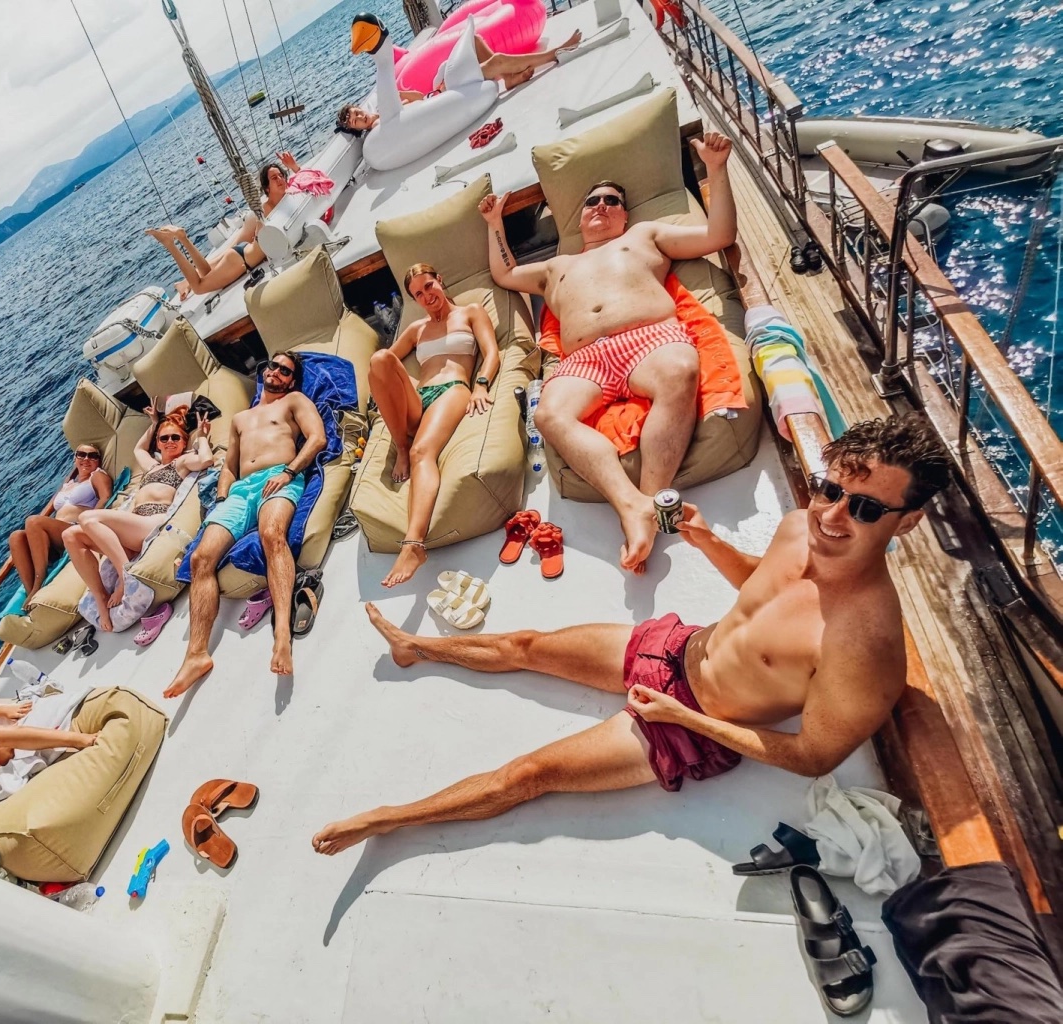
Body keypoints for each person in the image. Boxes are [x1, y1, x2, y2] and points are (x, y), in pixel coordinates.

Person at [312, 415, 952, 856]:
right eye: (829, 489)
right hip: (677, 647)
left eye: (865, 508)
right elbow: (765, 586)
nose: (833, 515)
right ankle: (415, 646)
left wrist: (684, 718)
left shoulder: (866, 644)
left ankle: (388, 821)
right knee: (526, 644)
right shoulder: (799, 526)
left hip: (691, 722)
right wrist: (707, 541)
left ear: (908, 522)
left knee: (527, 775)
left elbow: (813, 756)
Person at [479, 131, 738, 575]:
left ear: (625, 214)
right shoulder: (555, 266)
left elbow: (720, 234)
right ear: (580, 218)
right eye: (592, 202)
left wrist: (716, 169)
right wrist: (493, 224)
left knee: (680, 369)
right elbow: (505, 274)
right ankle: (631, 506)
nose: (601, 206)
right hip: (584, 361)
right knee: (549, 414)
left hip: (648, 339)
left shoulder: (644, 236)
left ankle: (650, 506)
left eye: (611, 201)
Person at [165, 351, 327, 697]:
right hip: (240, 491)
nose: (276, 372)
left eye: (285, 371)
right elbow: (229, 466)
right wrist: (223, 497)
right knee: (201, 558)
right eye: (273, 366)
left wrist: (289, 472)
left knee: (272, 534)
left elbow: (317, 439)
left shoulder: (294, 401)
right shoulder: (240, 418)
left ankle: (281, 635)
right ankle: (196, 655)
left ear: (292, 381)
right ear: (264, 371)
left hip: (278, 476)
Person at [368, 263, 500, 587]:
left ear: (440, 280)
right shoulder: (416, 329)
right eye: (418, 294)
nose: (427, 296)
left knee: (422, 453)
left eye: (429, 286)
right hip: (421, 396)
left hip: (452, 389)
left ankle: (414, 544)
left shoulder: (470, 312)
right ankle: (400, 445)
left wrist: (481, 384)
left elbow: (491, 353)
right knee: (379, 360)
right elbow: (386, 367)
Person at [63, 409, 213, 631]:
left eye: (176, 437)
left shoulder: (182, 462)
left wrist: (201, 436)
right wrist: (154, 423)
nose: (170, 442)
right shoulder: (152, 466)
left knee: (86, 517)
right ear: (158, 443)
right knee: (70, 535)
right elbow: (139, 449)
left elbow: (206, 459)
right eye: (164, 438)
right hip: (132, 526)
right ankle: (100, 597)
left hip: (151, 521)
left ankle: (125, 576)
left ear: (184, 443)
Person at [334, 29, 584, 136]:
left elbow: (419, 99)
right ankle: (555, 53)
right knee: (496, 60)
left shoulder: (383, 110)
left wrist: (404, 95)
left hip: (439, 92)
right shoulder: (379, 127)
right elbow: (418, 115)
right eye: (355, 120)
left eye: (357, 112)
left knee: (474, 39)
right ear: (357, 129)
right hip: (448, 97)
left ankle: (509, 79)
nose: (360, 116)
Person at [146, 153, 301, 300]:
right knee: (198, 287)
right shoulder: (263, 210)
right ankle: (170, 244)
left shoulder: (287, 199)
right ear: (267, 188)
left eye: (281, 175)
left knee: (206, 272)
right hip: (241, 260)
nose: (280, 179)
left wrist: (294, 166)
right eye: (274, 178)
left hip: (242, 253)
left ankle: (184, 240)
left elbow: (305, 182)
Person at [8, 445, 112, 605]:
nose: (86, 459)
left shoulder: (96, 476)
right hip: (56, 537)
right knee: (16, 537)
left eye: (92, 456)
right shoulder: (69, 483)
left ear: (98, 460)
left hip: (75, 529)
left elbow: (105, 497)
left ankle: (39, 582)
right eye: (81, 454)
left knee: (33, 521)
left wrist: (88, 523)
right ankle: (31, 592)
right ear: (75, 458)